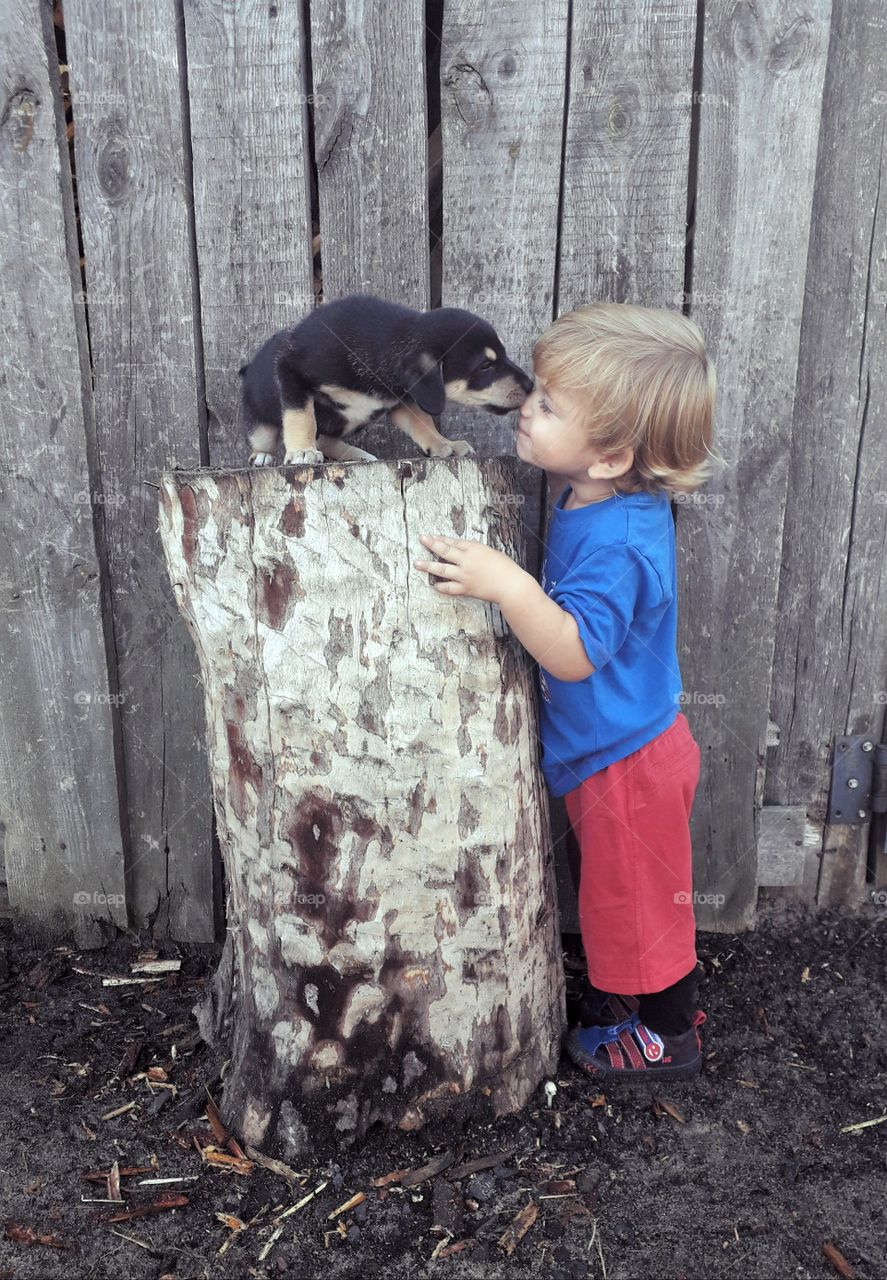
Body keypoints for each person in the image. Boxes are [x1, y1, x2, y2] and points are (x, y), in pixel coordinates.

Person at [412, 301, 722, 1080]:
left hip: (628, 759)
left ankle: (665, 1038)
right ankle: (633, 1001)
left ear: (613, 455)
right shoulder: (595, 497)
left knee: (641, 902)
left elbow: (578, 652)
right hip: (615, 749)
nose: (526, 406)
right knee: (621, 895)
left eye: (547, 404)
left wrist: (505, 584)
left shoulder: (619, 541)